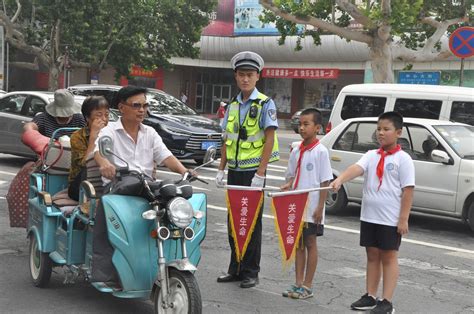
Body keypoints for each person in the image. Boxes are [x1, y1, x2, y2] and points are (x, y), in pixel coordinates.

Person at [92, 85, 195, 286]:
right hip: (118, 188)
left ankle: (172, 258)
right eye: (136, 105)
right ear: (122, 108)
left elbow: (166, 156)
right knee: (109, 212)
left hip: (146, 187)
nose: (142, 110)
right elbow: (99, 151)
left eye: (145, 106)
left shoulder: (150, 133)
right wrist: (104, 163)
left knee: (175, 193)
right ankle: (104, 274)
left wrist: (184, 172)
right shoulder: (110, 131)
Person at [330, 111, 415, 314]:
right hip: (370, 216)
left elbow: (408, 191)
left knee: (388, 256)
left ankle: (386, 301)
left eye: (386, 129)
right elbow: (356, 169)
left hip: (390, 218)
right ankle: (370, 295)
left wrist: (403, 219)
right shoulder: (371, 155)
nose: (381, 133)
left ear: (398, 132)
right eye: (378, 129)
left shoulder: (403, 159)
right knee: (372, 255)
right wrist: (340, 179)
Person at [215, 51, 279, 288]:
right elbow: (226, 139)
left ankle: (251, 271)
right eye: (241, 75)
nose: (245, 79)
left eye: (249, 75)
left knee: (252, 222)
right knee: (234, 220)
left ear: (257, 77)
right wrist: (220, 169)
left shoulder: (265, 103)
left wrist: (261, 173)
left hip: (253, 172)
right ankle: (236, 267)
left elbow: (270, 139)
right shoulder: (231, 105)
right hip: (234, 170)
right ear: (235, 76)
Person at [280, 108, 332, 299]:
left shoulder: (321, 152)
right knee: (299, 245)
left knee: (310, 242)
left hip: (312, 208)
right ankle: (298, 283)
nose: (302, 128)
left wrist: (320, 207)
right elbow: (292, 176)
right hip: (297, 206)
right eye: (300, 124)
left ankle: (308, 286)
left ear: (317, 128)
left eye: (306, 124)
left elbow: (325, 181)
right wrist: (287, 186)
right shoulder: (296, 151)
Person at [67, 96, 110, 201]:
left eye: (107, 115)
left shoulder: (111, 133)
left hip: (105, 179)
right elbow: (84, 165)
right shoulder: (77, 137)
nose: (104, 119)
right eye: (99, 115)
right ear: (87, 118)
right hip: (80, 183)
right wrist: (93, 138)